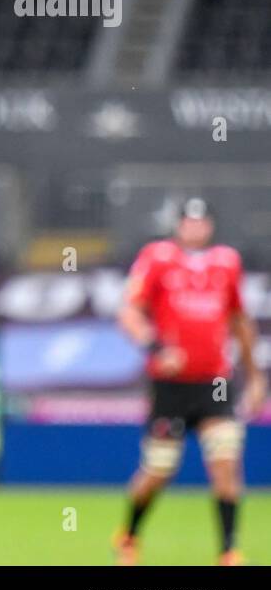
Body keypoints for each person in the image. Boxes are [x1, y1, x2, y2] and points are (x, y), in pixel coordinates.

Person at [113, 197, 266, 565]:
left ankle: (228, 550)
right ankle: (129, 535)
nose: (195, 228)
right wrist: (156, 348)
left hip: (214, 381)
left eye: (201, 222)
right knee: (160, 469)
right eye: (188, 221)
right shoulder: (158, 258)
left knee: (226, 461)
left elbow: (239, 321)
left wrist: (255, 376)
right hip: (172, 386)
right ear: (178, 225)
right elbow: (130, 311)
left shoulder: (226, 263)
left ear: (209, 226)